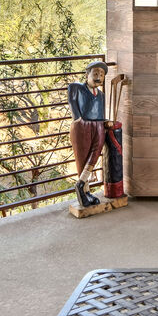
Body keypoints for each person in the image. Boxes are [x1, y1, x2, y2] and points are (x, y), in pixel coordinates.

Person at [68, 60, 112, 207]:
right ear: (87, 74)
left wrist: (105, 122)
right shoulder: (77, 88)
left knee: (94, 155)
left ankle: (81, 184)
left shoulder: (101, 96)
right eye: (95, 73)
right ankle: (84, 192)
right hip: (82, 126)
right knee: (82, 158)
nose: (98, 77)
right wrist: (78, 119)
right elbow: (72, 101)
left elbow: (100, 111)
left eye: (101, 74)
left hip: (98, 126)